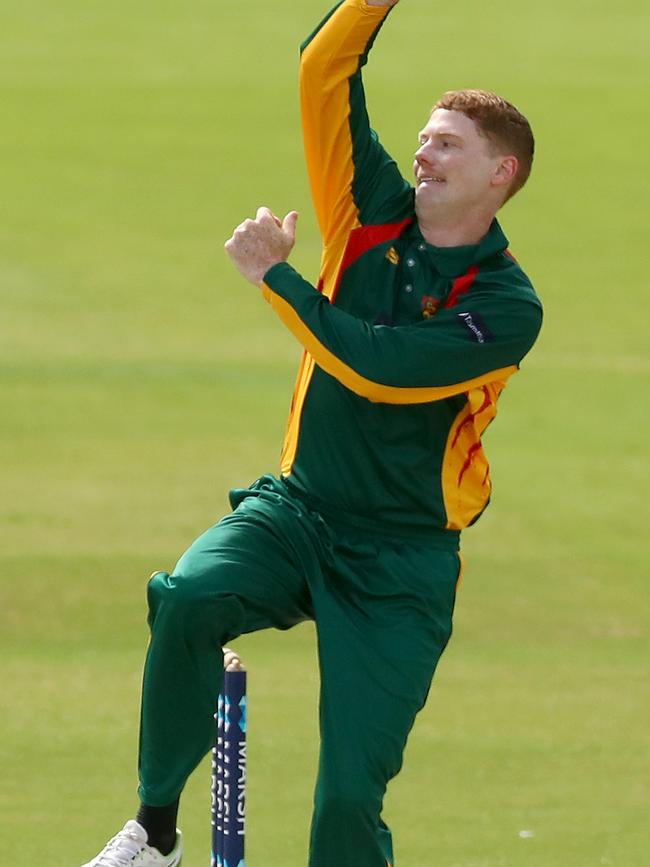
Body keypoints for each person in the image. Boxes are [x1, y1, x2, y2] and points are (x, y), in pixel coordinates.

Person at [81, 0, 542, 865]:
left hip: (402, 561)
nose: (423, 151)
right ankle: (154, 831)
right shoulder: (366, 204)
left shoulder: (507, 307)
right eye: (424, 136)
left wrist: (279, 281)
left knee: (346, 802)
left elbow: (381, 369)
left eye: (449, 143)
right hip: (297, 512)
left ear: (501, 172)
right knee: (187, 599)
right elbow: (322, 72)